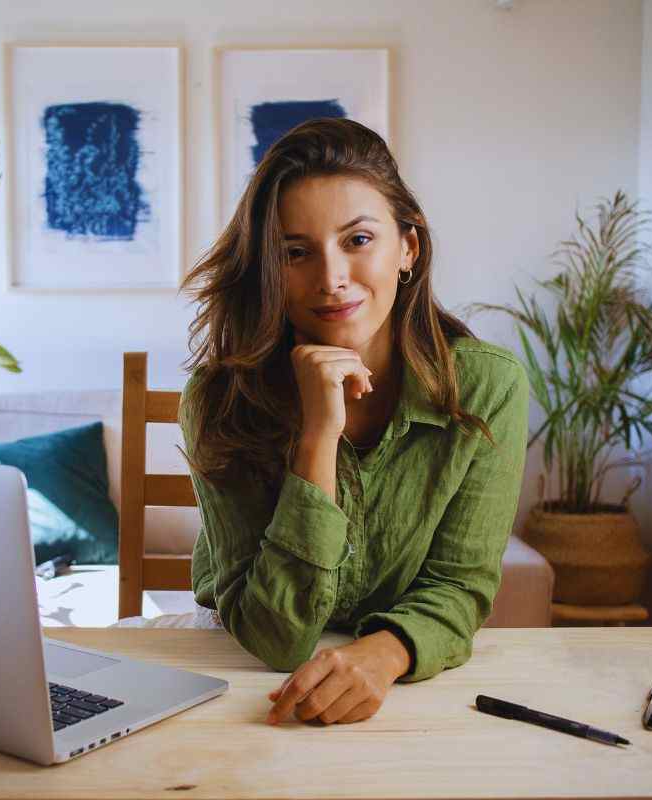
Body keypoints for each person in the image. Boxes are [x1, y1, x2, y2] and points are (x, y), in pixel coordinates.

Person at [177, 117, 529, 726]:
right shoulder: (219, 398)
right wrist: (318, 435)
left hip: (411, 693)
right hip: (242, 688)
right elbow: (274, 639)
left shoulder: (487, 386)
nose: (332, 277)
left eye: (358, 240)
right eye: (295, 252)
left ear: (407, 249)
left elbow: (459, 587)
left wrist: (384, 654)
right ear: (268, 268)